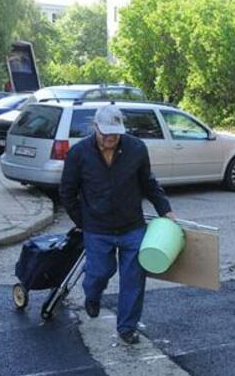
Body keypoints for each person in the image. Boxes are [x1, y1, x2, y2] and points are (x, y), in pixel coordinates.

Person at [60, 105, 175, 345]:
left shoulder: (136, 148)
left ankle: (127, 328)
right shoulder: (79, 153)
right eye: (106, 134)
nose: (111, 138)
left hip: (132, 227)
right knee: (100, 271)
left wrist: (165, 210)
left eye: (115, 134)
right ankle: (92, 295)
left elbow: (149, 183)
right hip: (97, 229)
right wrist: (83, 221)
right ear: (96, 128)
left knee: (133, 280)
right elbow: (67, 192)